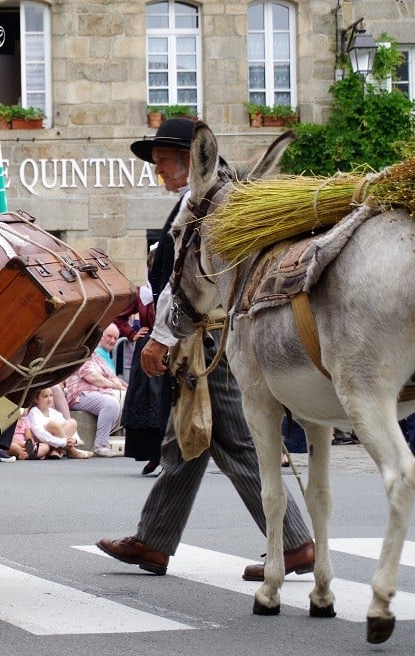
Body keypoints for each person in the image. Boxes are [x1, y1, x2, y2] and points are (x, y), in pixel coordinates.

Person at [95, 118, 315, 580]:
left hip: (208, 338)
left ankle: (294, 543)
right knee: (187, 442)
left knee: (231, 441)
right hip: (209, 335)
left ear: (190, 160)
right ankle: (154, 541)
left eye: (162, 163)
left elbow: (187, 282)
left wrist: (160, 341)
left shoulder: (204, 206)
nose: (158, 172)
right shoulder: (214, 198)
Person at [118, 252, 170, 476]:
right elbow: (117, 316)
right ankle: (152, 454)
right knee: (146, 403)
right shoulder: (143, 293)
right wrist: (132, 334)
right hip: (147, 349)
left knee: (166, 402)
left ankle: (166, 455)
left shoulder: (174, 289)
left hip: (170, 347)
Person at [63, 323, 128, 457]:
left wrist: (125, 387)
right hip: (79, 395)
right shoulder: (82, 353)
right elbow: (91, 376)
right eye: (109, 336)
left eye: (115, 338)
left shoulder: (97, 356)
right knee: (110, 403)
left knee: (125, 396)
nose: (112, 341)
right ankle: (101, 444)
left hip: (95, 393)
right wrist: (114, 385)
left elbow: (112, 377)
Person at [27, 386, 87, 459]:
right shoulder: (34, 412)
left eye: (51, 395)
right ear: (36, 399)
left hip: (58, 441)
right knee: (53, 425)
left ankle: (56, 451)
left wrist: (75, 440)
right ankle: (71, 451)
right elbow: (40, 434)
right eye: (45, 396)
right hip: (44, 442)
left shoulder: (54, 413)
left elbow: (67, 427)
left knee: (72, 422)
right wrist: (62, 442)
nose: (49, 399)